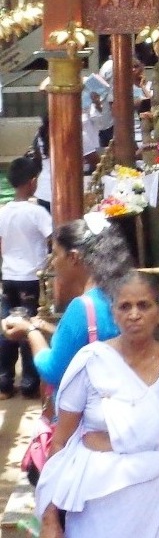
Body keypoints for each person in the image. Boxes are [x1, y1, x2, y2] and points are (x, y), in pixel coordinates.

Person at [35, 270, 159, 538]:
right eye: (125, 306)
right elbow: (61, 442)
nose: (134, 314)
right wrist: (50, 517)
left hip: (155, 498)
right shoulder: (91, 361)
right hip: (95, 500)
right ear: (113, 313)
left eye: (143, 305)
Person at [3, 216, 129, 391]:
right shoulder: (120, 295)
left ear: (73, 257)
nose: (52, 263)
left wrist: (30, 331)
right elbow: (93, 338)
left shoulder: (82, 308)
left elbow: (51, 370)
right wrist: (47, 328)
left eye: (55, 254)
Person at [0, 156, 54, 398]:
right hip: (32, 278)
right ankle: (30, 384)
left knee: (7, 328)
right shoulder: (37, 212)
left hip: (9, 276)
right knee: (30, 329)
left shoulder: (4, 212)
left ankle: (4, 382)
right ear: (32, 182)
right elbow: (53, 239)